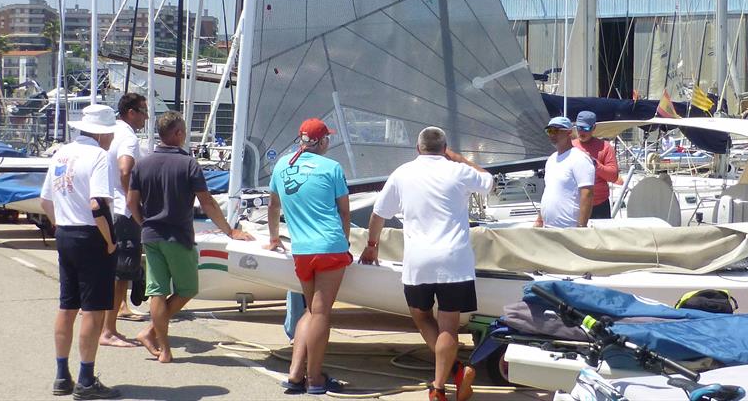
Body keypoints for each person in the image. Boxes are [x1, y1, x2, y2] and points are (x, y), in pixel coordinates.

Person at [358, 127, 494, 401]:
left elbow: (378, 215)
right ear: (445, 149)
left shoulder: (403, 173)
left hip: (418, 261)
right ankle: (440, 386)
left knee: (421, 317)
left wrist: (372, 247)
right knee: (449, 327)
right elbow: (488, 179)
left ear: (418, 148)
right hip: (455, 261)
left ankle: (453, 373)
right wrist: (460, 158)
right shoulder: (458, 171)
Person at [126, 111, 253, 363]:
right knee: (187, 289)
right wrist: (230, 231)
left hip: (151, 236)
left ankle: (163, 348)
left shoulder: (143, 164)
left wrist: (144, 223)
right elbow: (207, 202)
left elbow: (131, 202)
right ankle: (151, 333)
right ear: (178, 134)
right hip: (178, 237)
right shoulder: (188, 164)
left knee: (157, 292)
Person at [40, 104, 121, 400]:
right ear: (102, 133)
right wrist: (111, 240)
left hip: (65, 231)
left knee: (68, 304)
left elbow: (46, 200)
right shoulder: (99, 156)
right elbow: (97, 204)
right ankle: (86, 379)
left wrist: (59, 224)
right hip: (91, 235)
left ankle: (62, 375)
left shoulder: (61, 152)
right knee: (94, 308)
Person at [265, 118, 351, 395]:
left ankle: (294, 374)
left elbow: (273, 206)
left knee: (310, 311)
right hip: (329, 247)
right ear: (322, 141)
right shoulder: (332, 167)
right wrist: (346, 243)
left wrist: (274, 238)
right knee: (321, 313)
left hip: (301, 250)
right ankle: (314, 379)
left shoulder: (281, 165)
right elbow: (344, 213)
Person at [99, 93, 148, 348]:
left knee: (108, 270)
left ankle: (105, 324)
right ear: (130, 112)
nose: (146, 117)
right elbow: (125, 169)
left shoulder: (109, 132)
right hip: (123, 211)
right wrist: (133, 199)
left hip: (105, 209)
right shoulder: (128, 136)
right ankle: (109, 331)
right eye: (142, 111)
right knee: (122, 273)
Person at [535, 116, 595, 228]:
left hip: (570, 228)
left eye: (556, 130)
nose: (552, 134)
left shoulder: (579, 158)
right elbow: (548, 191)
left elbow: (587, 193)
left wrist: (581, 227)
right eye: (549, 131)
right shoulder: (551, 159)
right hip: (548, 228)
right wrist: (539, 220)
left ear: (569, 132)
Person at [572, 111, 619, 220]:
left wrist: (594, 163)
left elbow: (613, 176)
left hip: (599, 204)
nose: (581, 132)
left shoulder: (605, 147)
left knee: (600, 237)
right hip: (575, 204)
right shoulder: (570, 147)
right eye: (579, 128)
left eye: (586, 128)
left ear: (594, 128)